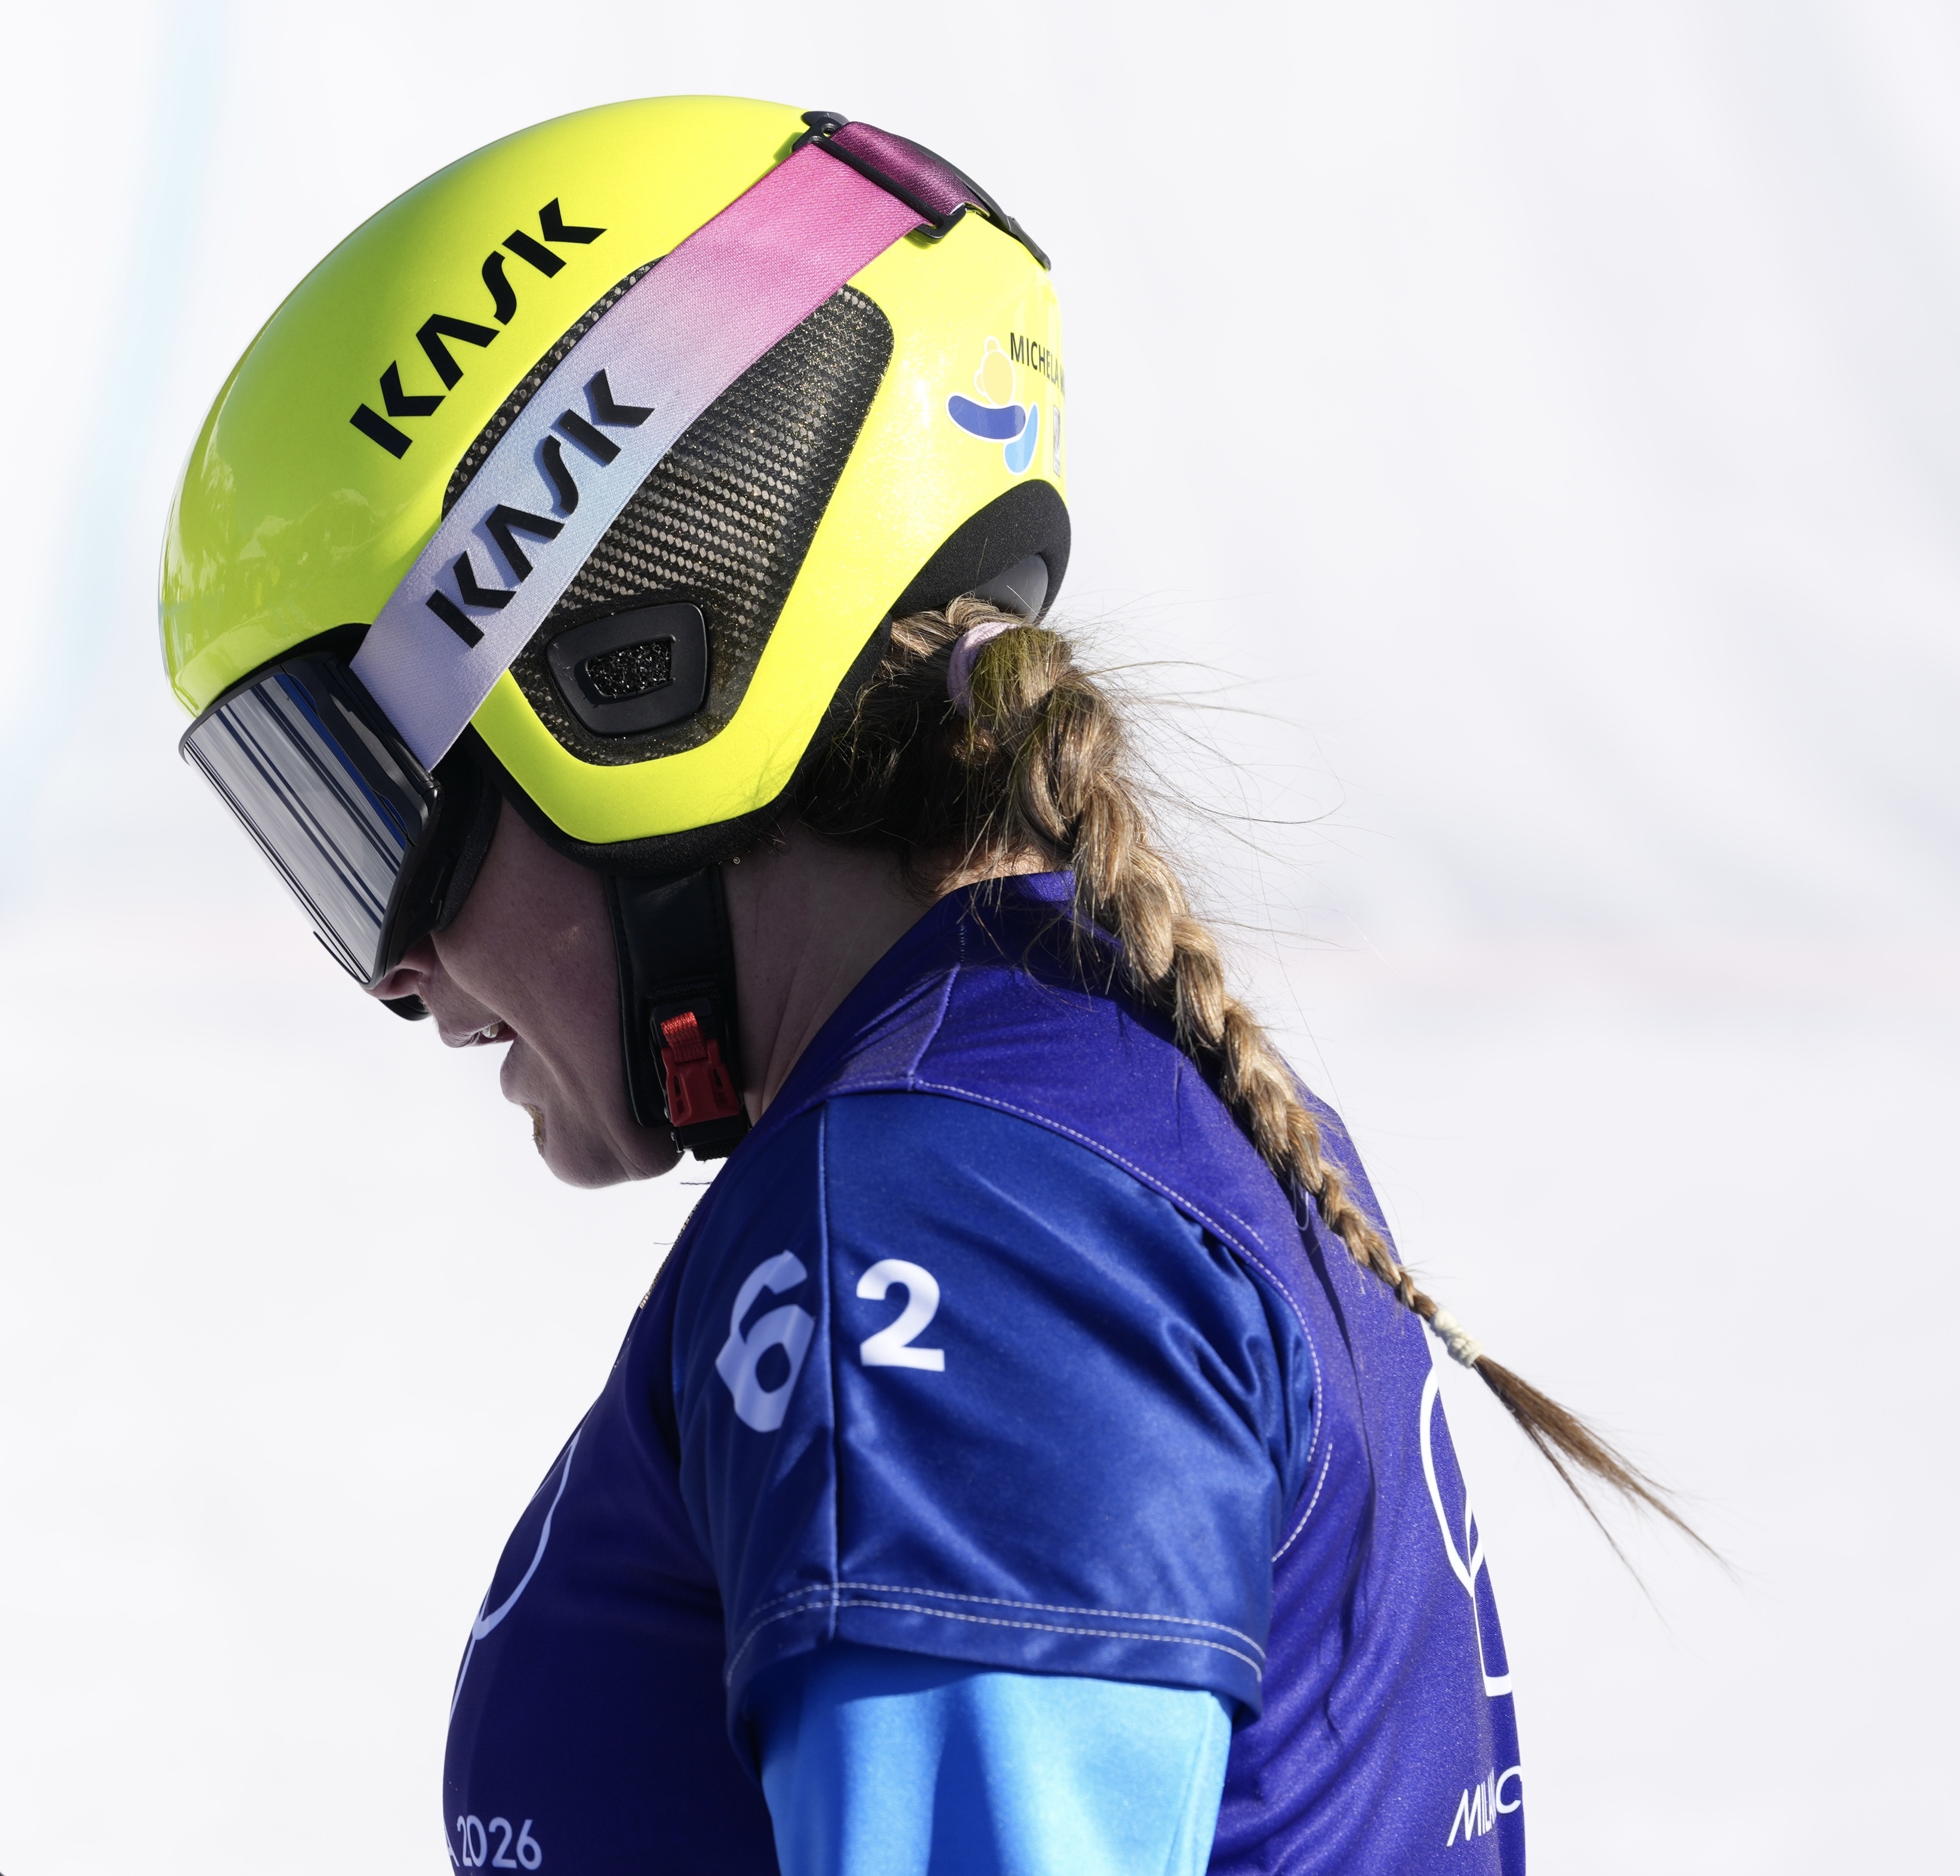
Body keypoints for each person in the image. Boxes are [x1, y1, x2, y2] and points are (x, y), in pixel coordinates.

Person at [158, 97, 1682, 1875]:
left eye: (374, 818)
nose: (401, 971)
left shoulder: (948, 1220)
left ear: (631, 676)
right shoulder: (1069, 1100)